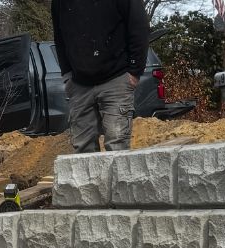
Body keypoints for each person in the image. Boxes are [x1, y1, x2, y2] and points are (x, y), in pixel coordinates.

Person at [50, 0, 150, 154]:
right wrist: (67, 74)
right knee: (83, 149)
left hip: (116, 79)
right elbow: (59, 36)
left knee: (117, 145)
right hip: (79, 84)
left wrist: (135, 71)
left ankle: (118, 179)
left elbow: (139, 28)